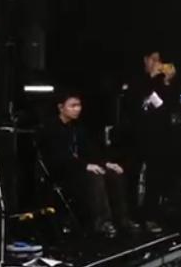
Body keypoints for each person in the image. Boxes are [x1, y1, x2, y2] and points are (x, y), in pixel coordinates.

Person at [38, 91, 139, 237]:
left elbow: (90, 151)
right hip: (62, 171)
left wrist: (106, 164)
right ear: (61, 107)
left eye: (79, 105)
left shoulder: (78, 128)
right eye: (72, 106)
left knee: (113, 174)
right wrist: (85, 166)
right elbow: (58, 157)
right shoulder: (51, 128)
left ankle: (122, 219)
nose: (77, 109)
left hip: (79, 167)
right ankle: (102, 222)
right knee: (94, 177)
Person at [122, 50, 181, 234]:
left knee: (155, 177)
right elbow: (132, 102)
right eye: (153, 59)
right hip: (137, 136)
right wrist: (152, 78)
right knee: (133, 175)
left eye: (159, 60)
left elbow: (170, 105)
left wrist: (167, 81)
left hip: (158, 136)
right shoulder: (136, 81)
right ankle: (130, 216)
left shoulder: (163, 81)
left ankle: (150, 216)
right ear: (146, 60)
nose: (157, 63)